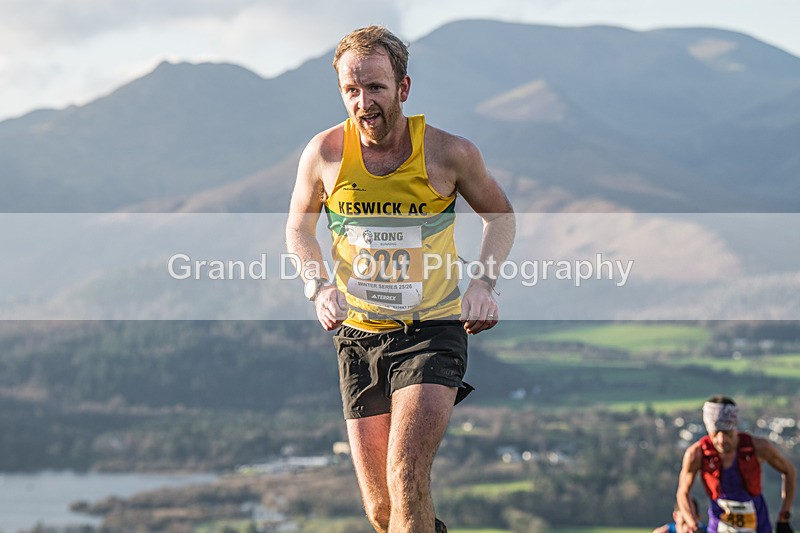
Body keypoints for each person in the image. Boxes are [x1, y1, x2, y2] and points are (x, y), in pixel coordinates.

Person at [284, 25, 515, 533]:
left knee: (405, 473)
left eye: (375, 88)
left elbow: (499, 216)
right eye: (351, 89)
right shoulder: (324, 154)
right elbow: (298, 228)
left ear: (403, 88)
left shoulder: (449, 153)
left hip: (431, 332)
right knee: (383, 511)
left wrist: (483, 284)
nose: (363, 103)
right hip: (358, 337)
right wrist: (318, 286)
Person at [676, 396, 796, 533]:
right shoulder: (697, 454)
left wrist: (784, 515)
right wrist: (693, 525)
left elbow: (789, 471)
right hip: (719, 526)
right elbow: (682, 492)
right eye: (715, 433)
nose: (721, 439)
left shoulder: (757, 447)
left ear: (735, 427)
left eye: (727, 433)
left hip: (758, 525)